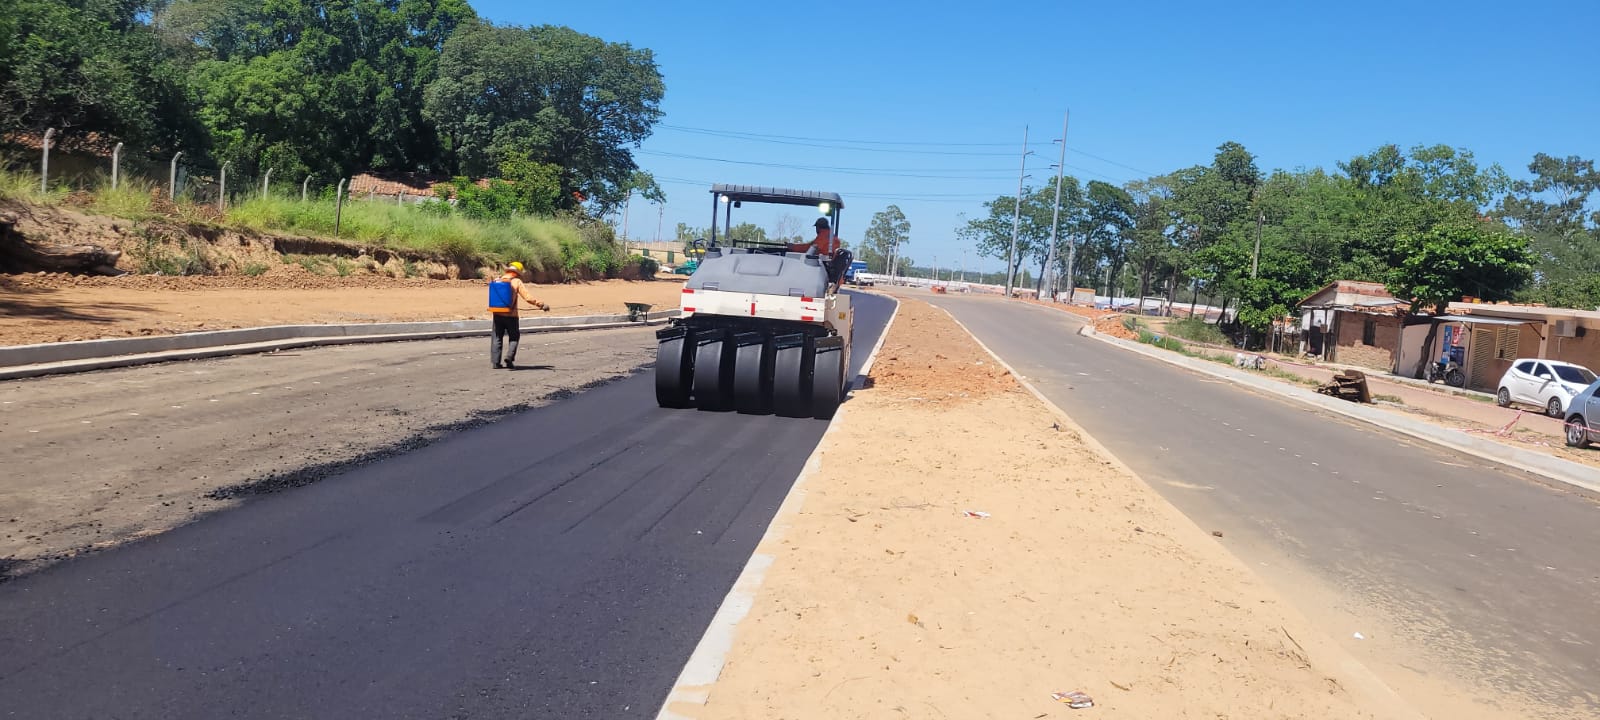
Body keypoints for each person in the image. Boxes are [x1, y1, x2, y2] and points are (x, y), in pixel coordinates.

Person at [489, 261, 549, 369]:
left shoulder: (498, 280)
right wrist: (541, 304)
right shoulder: (516, 281)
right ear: (518, 272)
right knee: (514, 337)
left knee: (497, 337)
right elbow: (527, 297)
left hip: (497, 313)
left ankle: (495, 363)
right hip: (511, 315)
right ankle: (509, 357)